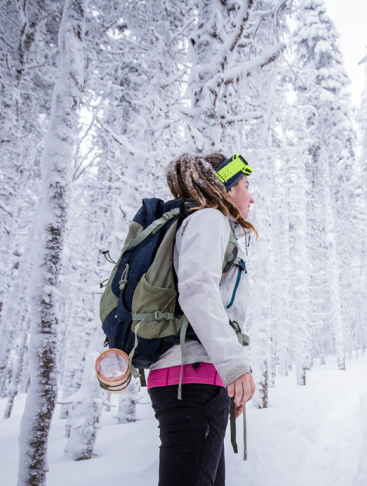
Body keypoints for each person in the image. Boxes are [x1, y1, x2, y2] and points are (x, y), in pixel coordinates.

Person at [148, 152, 257, 486]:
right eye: (245, 186)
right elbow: (197, 290)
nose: (251, 196)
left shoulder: (197, 223)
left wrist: (226, 380)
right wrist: (234, 367)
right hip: (192, 381)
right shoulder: (210, 219)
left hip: (193, 381)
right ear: (225, 190)